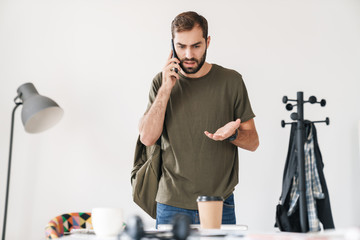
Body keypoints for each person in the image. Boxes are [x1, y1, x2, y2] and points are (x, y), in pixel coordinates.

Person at [138, 11, 259, 226]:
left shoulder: (231, 81)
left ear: (208, 42)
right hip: (170, 204)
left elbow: (253, 142)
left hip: (219, 203)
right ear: (172, 44)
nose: (188, 54)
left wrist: (233, 135)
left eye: (196, 46)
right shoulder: (160, 82)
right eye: (181, 46)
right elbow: (147, 138)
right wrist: (166, 89)